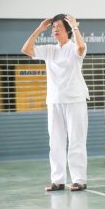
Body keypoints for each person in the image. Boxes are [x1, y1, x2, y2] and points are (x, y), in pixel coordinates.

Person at [21, 14, 89, 191]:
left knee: (76, 140)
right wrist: (39, 29)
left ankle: (79, 179)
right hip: (54, 100)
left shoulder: (75, 47)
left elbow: (81, 47)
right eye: (53, 27)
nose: (55, 29)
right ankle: (58, 180)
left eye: (59, 26)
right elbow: (26, 50)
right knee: (56, 142)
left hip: (75, 99)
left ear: (67, 29)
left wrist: (75, 26)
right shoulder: (50, 50)